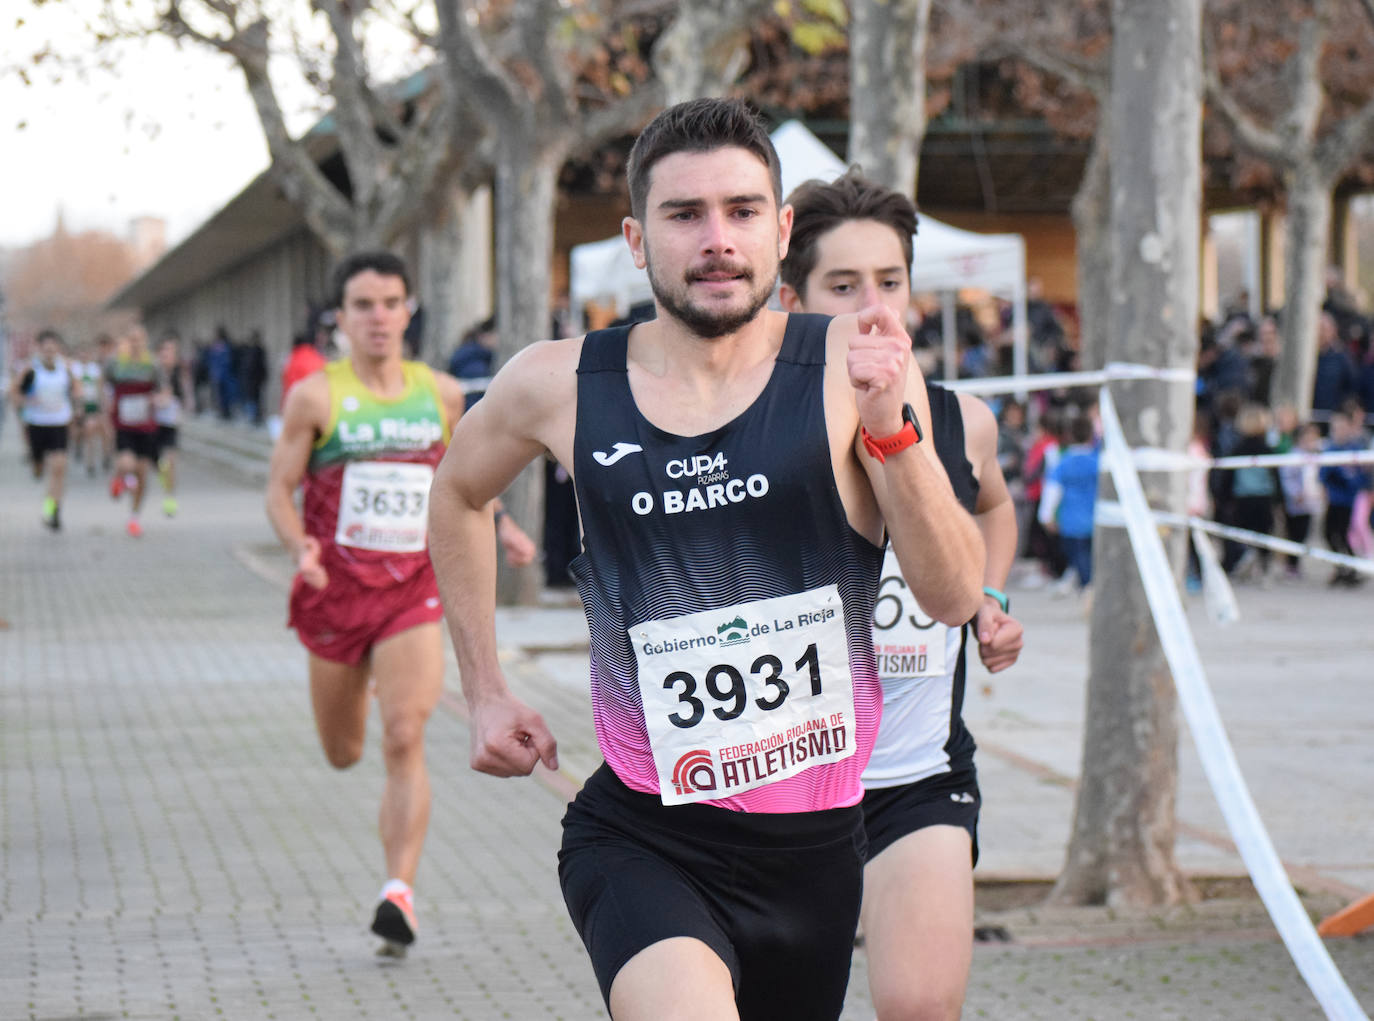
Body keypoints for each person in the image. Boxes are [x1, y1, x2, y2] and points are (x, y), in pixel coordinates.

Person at [427, 99, 984, 1021]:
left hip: (813, 850)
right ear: (637, 241)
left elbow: (954, 592)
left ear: (782, 228)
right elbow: (456, 491)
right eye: (685, 215)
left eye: (742, 210)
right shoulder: (557, 382)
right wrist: (483, 684)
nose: (717, 239)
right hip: (643, 833)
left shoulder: (853, 364)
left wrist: (892, 433)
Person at [778, 168, 1024, 1021]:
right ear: (792, 298)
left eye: (889, 282)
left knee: (921, 1008)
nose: (872, 305)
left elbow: (992, 505)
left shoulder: (966, 422)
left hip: (917, 777)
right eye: (843, 286)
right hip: (779, 787)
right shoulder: (754, 435)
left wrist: (987, 593)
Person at [265, 251, 535, 956]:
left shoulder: (443, 394)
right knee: (345, 749)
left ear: (409, 310)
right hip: (335, 592)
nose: (378, 316)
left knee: (405, 733)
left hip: (413, 589)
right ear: (342, 318)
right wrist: (300, 545)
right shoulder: (316, 398)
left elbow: (468, 482)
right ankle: (353, 706)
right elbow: (278, 487)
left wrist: (503, 527)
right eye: (363, 304)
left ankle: (398, 894)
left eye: (391, 302)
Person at [9, 328, 77, 529]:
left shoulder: (66, 369)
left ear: (58, 350)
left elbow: (77, 390)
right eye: (45, 349)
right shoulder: (30, 370)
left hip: (59, 423)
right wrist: (22, 404)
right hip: (37, 424)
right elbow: (15, 392)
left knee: (58, 467)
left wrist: (79, 410)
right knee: (40, 468)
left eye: (53, 349)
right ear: (39, 349)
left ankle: (53, 509)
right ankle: (36, 466)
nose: (49, 353)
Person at [104, 324, 161, 537]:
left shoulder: (152, 364)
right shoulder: (116, 363)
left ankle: (134, 518)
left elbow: (163, 388)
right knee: (127, 464)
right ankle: (120, 478)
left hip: (146, 425)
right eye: (131, 339)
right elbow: (104, 383)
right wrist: (106, 406)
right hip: (123, 423)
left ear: (145, 341)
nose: (135, 343)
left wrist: (159, 398)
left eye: (139, 339)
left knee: (142, 474)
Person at [1038, 413, 1100, 595]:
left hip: (1071, 522)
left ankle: (1086, 589)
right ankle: (1089, 589)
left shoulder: (1062, 464)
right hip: (1095, 520)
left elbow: (1052, 490)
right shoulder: (1098, 462)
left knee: (1079, 560)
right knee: (1091, 560)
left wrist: (1046, 516)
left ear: (1069, 436)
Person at [1319, 406, 1370, 587]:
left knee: (1341, 534)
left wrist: (1348, 478)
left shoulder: (1354, 449)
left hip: (1346, 500)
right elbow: (1323, 474)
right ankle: (1342, 567)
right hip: (1333, 499)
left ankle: (1350, 568)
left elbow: (1359, 478)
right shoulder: (1331, 448)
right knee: (1328, 534)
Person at [153, 331, 192, 517]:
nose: (166, 356)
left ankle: (170, 498)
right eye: (164, 351)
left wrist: (181, 406)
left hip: (170, 423)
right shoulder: (152, 373)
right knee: (155, 463)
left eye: (171, 352)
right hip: (152, 423)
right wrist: (157, 399)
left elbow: (186, 397)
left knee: (170, 461)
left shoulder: (180, 374)